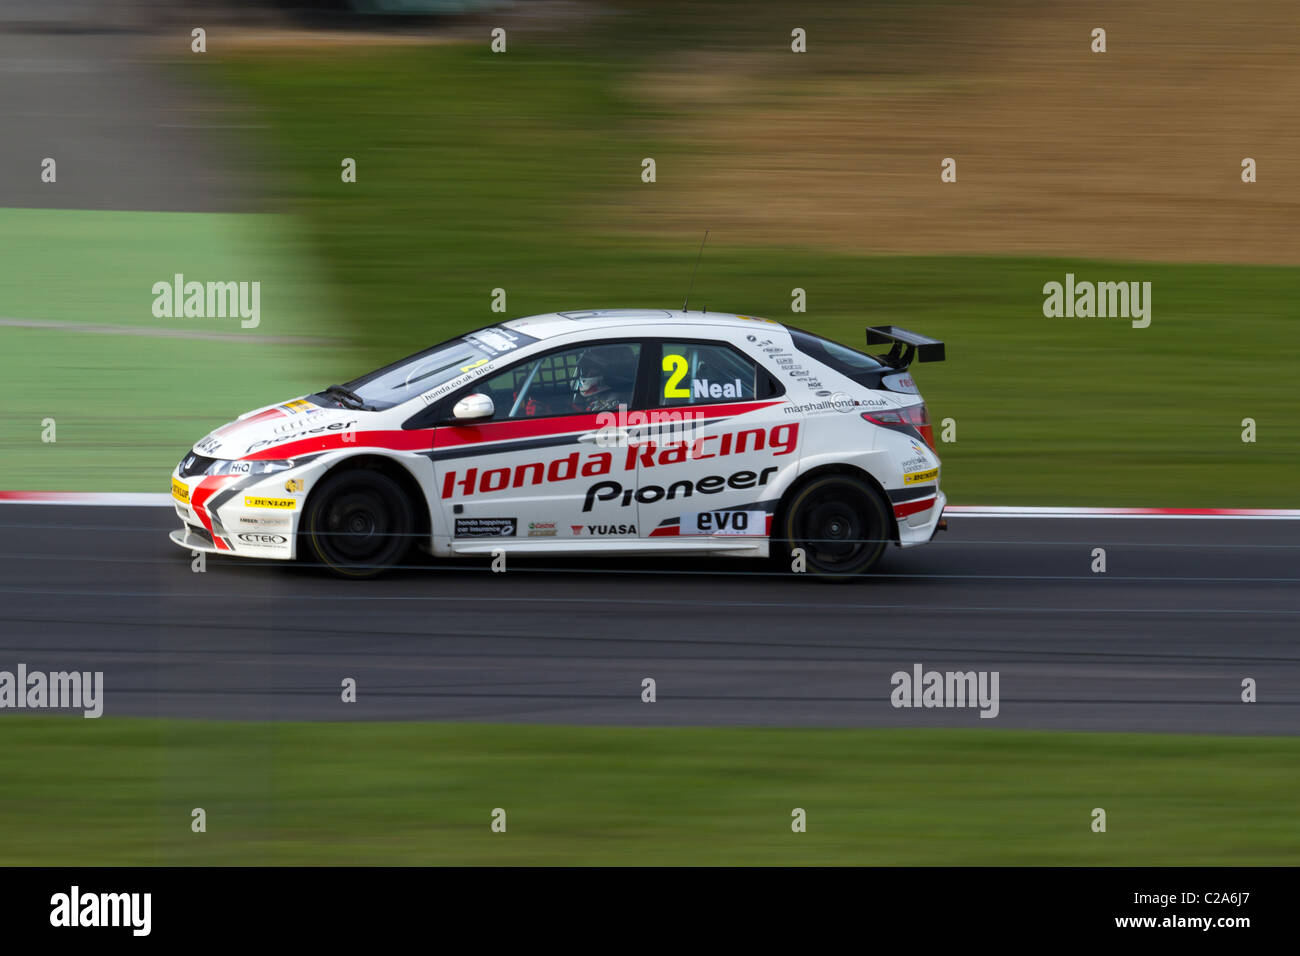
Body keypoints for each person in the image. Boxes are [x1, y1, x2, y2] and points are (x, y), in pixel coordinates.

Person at [572, 345, 637, 412]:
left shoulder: (620, 406)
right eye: (586, 369)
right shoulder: (594, 400)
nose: (588, 373)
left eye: (592, 368)